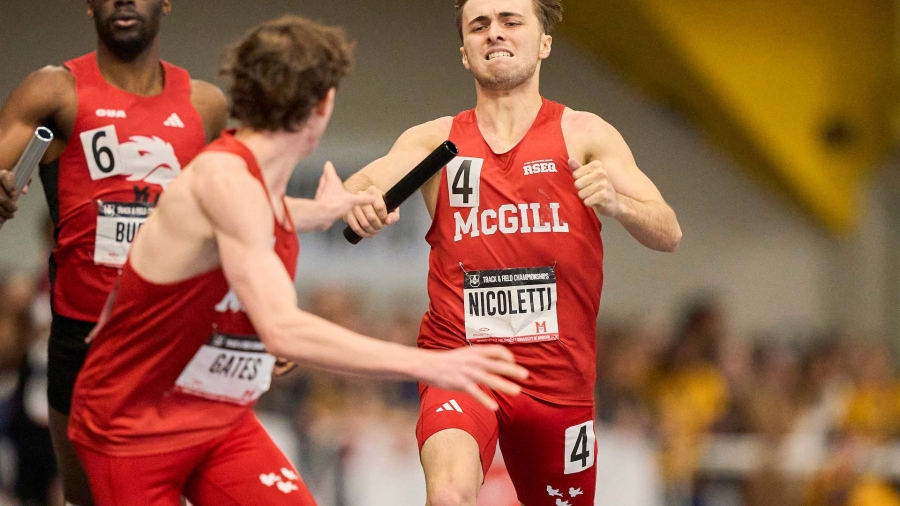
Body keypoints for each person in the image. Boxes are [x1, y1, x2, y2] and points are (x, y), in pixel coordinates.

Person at [66, 15, 528, 506]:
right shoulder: (226, 181)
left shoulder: (252, 182)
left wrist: (324, 210)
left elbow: (248, 220)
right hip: (134, 434)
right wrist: (434, 365)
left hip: (218, 420)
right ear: (323, 104)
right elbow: (283, 330)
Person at [342, 0, 682, 504]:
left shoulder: (584, 134)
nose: (494, 33)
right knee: (449, 495)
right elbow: (363, 184)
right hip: (461, 366)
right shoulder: (438, 142)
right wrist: (361, 204)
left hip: (557, 384)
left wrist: (617, 202)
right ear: (464, 53)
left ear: (544, 43)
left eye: (510, 21)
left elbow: (669, 230)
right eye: (479, 25)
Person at [0, 1, 228, 504]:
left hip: (172, 333)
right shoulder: (53, 91)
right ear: (89, 5)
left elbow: (233, 225)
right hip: (81, 337)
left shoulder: (205, 104)